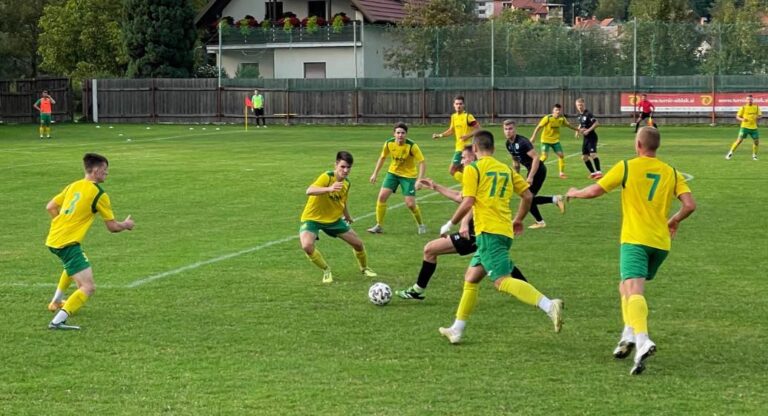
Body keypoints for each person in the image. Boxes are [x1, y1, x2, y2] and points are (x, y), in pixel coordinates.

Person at [566, 127, 696, 375]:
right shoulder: (671, 172)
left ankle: (643, 338)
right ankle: (628, 335)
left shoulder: (627, 166)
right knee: (624, 286)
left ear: (638, 144)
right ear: (656, 147)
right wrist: (675, 220)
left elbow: (595, 191)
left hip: (635, 239)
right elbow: (690, 205)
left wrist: (574, 193)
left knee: (634, 289)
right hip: (660, 243)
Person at [437, 130, 564, 344]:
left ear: (475, 149)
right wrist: (519, 219)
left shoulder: (473, 168)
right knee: (471, 278)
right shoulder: (504, 168)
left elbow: (467, 201)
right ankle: (457, 329)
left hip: (489, 233)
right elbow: (527, 195)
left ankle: (548, 305)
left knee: (501, 281)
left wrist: (449, 224)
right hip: (503, 231)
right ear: (494, 149)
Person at [396, 145, 528, 301]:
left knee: (430, 250)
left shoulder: (475, 171)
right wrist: (436, 186)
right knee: (494, 264)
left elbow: (472, 202)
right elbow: (461, 197)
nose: (461, 161)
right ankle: (530, 292)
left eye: (464, 157)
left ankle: (418, 290)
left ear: (473, 156)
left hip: (477, 231)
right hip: (489, 229)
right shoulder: (478, 172)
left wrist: (461, 223)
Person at [46, 153, 135, 330]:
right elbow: (112, 227)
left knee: (71, 267)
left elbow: (50, 206)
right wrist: (126, 224)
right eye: (104, 170)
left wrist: (61, 223)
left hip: (54, 239)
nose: (106, 174)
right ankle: (58, 322)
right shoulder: (99, 194)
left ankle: (56, 302)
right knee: (88, 287)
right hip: (67, 244)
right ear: (95, 170)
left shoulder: (74, 185)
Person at [300, 151, 377, 283]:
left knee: (358, 244)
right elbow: (310, 190)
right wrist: (329, 189)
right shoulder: (327, 177)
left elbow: (342, 200)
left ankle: (364, 268)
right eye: (343, 166)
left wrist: (347, 215)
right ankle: (326, 270)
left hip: (334, 220)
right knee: (307, 246)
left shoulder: (346, 183)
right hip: (313, 218)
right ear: (336, 164)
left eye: (348, 167)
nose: (346, 170)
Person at [503, 120, 565, 229]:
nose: (508, 131)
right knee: (528, 197)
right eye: (506, 129)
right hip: (531, 170)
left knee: (528, 198)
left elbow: (536, 158)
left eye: (510, 129)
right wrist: (516, 176)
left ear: (515, 129)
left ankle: (542, 218)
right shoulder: (508, 144)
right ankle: (554, 200)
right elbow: (515, 161)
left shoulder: (522, 142)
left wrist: (531, 176)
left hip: (538, 170)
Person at [367, 122, 427, 235]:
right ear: (394, 134)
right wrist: (375, 173)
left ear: (406, 134)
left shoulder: (412, 146)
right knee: (381, 197)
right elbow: (382, 157)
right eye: (398, 133)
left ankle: (421, 225)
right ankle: (379, 225)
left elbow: (422, 162)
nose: (400, 135)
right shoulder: (389, 143)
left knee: (410, 204)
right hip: (393, 174)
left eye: (403, 133)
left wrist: (419, 180)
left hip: (408, 176)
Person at [432, 95, 480, 182]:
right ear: (454, 105)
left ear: (463, 105)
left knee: (452, 170)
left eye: (460, 104)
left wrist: (467, 136)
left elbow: (478, 129)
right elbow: (451, 130)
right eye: (457, 104)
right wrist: (439, 135)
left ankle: (469, 184)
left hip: (466, 148)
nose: (458, 106)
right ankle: (471, 184)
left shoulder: (468, 116)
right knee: (463, 170)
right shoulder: (454, 117)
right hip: (458, 147)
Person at [530, 104, 578, 179]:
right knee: (544, 156)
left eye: (559, 110)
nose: (558, 111)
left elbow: (568, 125)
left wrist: (577, 130)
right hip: (545, 140)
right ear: (553, 111)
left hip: (555, 141)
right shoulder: (548, 118)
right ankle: (535, 170)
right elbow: (538, 127)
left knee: (561, 155)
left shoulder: (562, 118)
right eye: (556, 110)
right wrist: (533, 137)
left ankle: (561, 173)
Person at [725, 94, 761, 161]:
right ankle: (730, 153)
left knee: (756, 142)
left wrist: (757, 117)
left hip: (754, 128)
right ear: (746, 100)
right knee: (739, 141)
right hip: (744, 127)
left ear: (752, 100)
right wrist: (742, 119)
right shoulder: (743, 107)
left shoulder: (756, 107)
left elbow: (760, 116)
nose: (749, 100)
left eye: (751, 99)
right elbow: (737, 116)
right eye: (748, 99)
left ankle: (754, 156)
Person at [575, 98, 603, 179]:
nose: (579, 107)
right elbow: (581, 124)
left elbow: (597, 123)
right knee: (584, 157)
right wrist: (577, 131)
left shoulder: (588, 114)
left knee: (593, 154)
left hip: (592, 137)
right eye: (578, 105)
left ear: (584, 104)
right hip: (586, 138)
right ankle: (593, 173)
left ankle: (599, 172)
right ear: (576, 106)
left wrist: (588, 130)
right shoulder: (579, 115)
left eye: (581, 105)